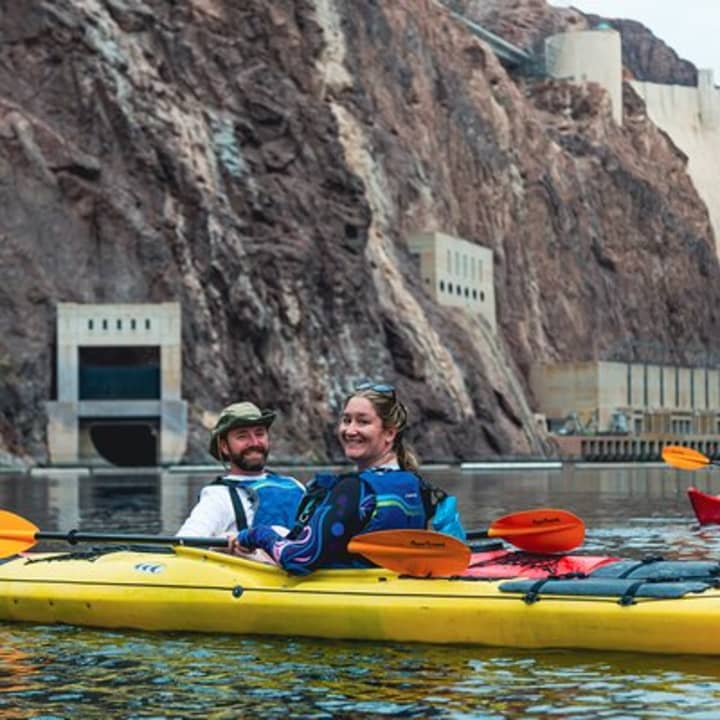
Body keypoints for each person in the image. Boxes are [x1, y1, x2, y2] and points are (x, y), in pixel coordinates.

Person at [229, 383, 465, 575]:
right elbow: (454, 541)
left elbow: (299, 558)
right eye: (346, 420)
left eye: (363, 421)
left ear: (390, 433)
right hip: (390, 583)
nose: (350, 430)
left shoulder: (354, 490)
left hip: (351, 588)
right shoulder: (418, 485)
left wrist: (255, 535)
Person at [176, 402, 305, 542]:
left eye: (259, 434)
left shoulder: (294, 485)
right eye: (242, 436)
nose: (254, 442)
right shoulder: (218, 496)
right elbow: (185, 542)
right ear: (224, 447)